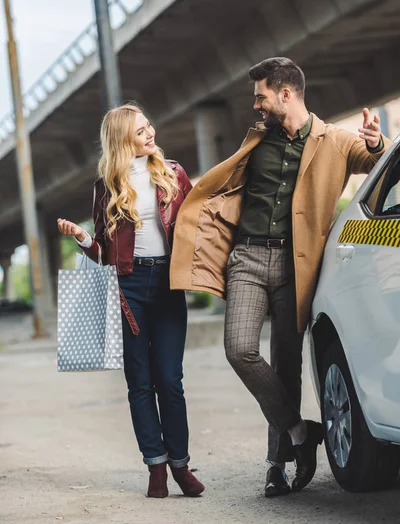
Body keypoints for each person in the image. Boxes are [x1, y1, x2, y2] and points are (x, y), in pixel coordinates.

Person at [170, 57, 390, 497]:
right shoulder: (257, 138)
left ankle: (277, 467)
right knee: (239, 349)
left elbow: (374, 160)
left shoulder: (335, 141)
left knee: (287, 367)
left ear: (285, 94)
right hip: (247, 260)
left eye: (261, 96)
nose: (257, 105)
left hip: (297, 267)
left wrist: (377, 140)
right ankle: (299, 432)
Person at [57, 103, 204, 499]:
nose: (150, 133)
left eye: (149, 125)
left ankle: (181, 466)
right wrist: (82, 238)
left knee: (170, 380)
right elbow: (104, 249)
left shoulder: (173, 173)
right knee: (140, 383)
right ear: (123, 140)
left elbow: (195, 225)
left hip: (168, 282)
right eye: (140, 131)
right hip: (129, 285)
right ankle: (156, 467)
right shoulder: (106, 183)